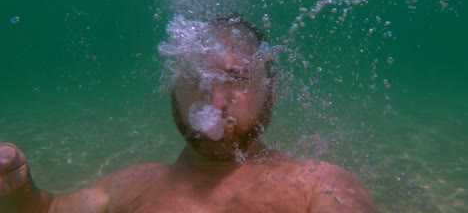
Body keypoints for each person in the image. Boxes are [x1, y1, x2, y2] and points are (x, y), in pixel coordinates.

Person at [0, 16, 374, 212]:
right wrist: (17, 192)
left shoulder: (320, 184)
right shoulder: (132, 184)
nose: (215, 98)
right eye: (196, 78)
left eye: (237, 78)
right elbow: (48, 211)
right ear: (172, 93)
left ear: (271, 92)